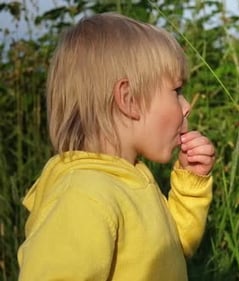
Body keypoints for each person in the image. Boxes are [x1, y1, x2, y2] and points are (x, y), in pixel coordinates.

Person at [17, 13, 215, 281]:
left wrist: (191, 184)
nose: (187, 104)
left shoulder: (129, 179)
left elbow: (173, 247)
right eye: (176, 90)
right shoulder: (85, 196)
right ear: (129, 99)